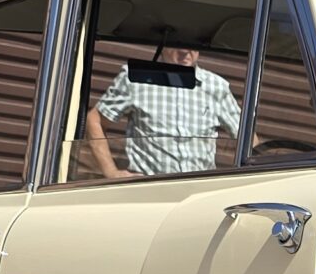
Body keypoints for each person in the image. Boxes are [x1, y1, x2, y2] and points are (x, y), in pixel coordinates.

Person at [82, 46, 240, 178]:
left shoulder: (216, 86)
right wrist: (111, 172)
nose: (185, 51)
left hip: (199, 191)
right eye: (177, 44)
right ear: (163, 45)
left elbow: (245, 135)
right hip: (151, 190)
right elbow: (95, 120)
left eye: (192, 44)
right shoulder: (136, 78)